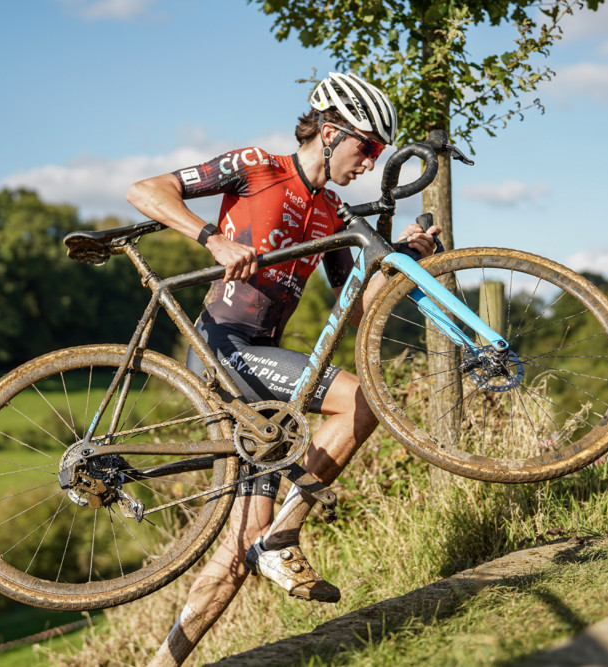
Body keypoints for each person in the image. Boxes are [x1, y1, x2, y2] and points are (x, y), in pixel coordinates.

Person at [126, 72, 441, 667]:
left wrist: (403, 260)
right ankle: (285, 534)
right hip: (223, 347)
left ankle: (162, 664)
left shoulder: (333, 213)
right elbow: (144, 190)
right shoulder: (255, 166)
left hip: (260, 371)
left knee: (239, 549)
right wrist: (212, 239)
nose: (369, 162)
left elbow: (358, 308)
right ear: (329, 133)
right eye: (366, 147)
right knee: (361, 400)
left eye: (376, 152)